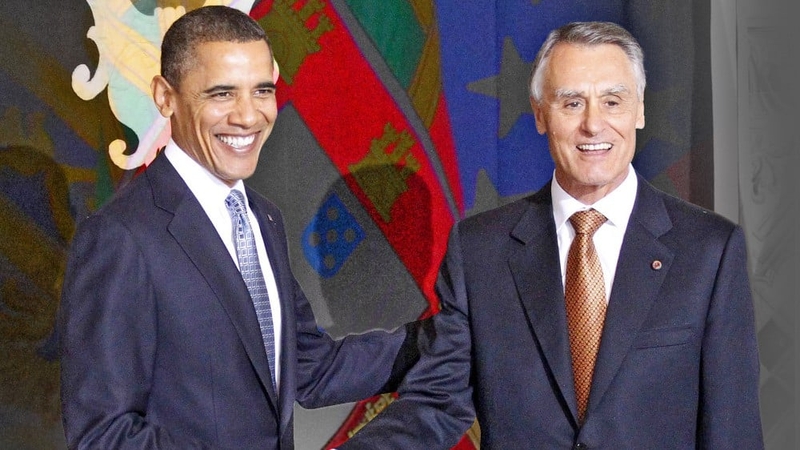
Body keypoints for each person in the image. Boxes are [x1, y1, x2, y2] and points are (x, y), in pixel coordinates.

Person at [342, 21, 763, 449]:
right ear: (540, 113)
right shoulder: (480, 251)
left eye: (612, 101)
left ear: (639, 111)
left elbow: (732, 429)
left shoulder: (709, 251)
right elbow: (437, 401)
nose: (593, 125)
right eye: (572, 103)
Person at [58, 6, 420, 449]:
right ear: (164, 97)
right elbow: (103, 434)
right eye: (222, 94)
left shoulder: (262, 218)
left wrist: (448, 338)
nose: (249, 117)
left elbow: (312, 367)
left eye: (262, 90)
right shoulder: (121, 237)